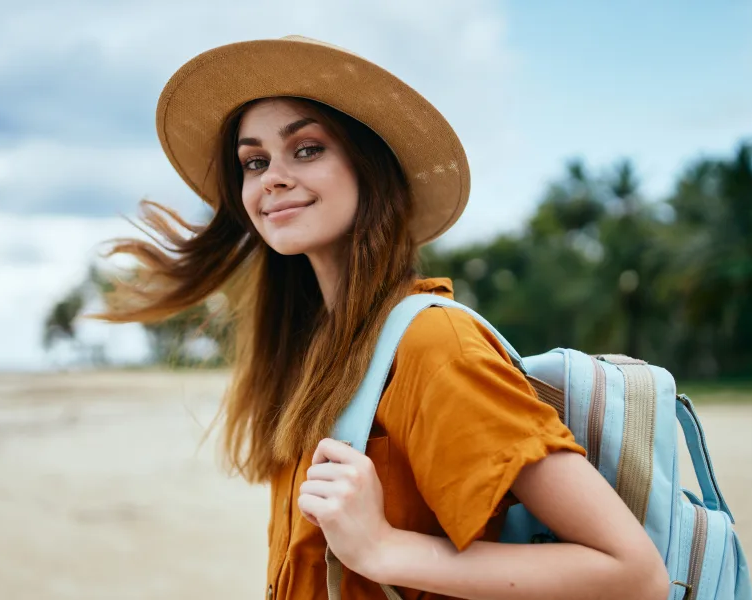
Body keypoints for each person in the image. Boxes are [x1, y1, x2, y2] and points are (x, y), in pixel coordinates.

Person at [98, 36, 669, 600]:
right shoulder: (309, 349)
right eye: (254, 161)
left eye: (307, 149)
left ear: (369, 169)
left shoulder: (433, 343)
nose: (271, 177)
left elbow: (633, 574)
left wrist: (382, 548)